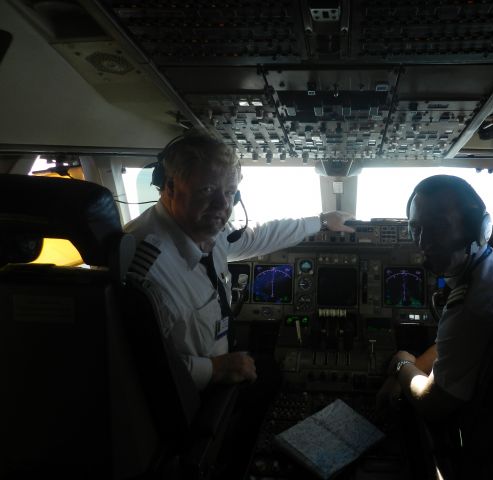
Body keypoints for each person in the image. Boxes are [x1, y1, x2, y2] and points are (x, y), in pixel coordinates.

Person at [125, 133, 354, 390]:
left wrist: (322, 221)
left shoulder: (206, 231)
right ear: (170, 186)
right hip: (196, 398)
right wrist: (214, 369)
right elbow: (137, 365)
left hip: (225, 361)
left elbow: (260, 235)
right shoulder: (144, 266)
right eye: (207, 190)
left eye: (230, 192)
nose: (222, 204)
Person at [377, 175, 493, 422]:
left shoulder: (471, 305)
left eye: (437, 227)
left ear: (478, 228)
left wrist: (401, 366)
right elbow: (459, 344)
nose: (423, 242)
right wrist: (418, 365)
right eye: (416, 228)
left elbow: (433, 402)